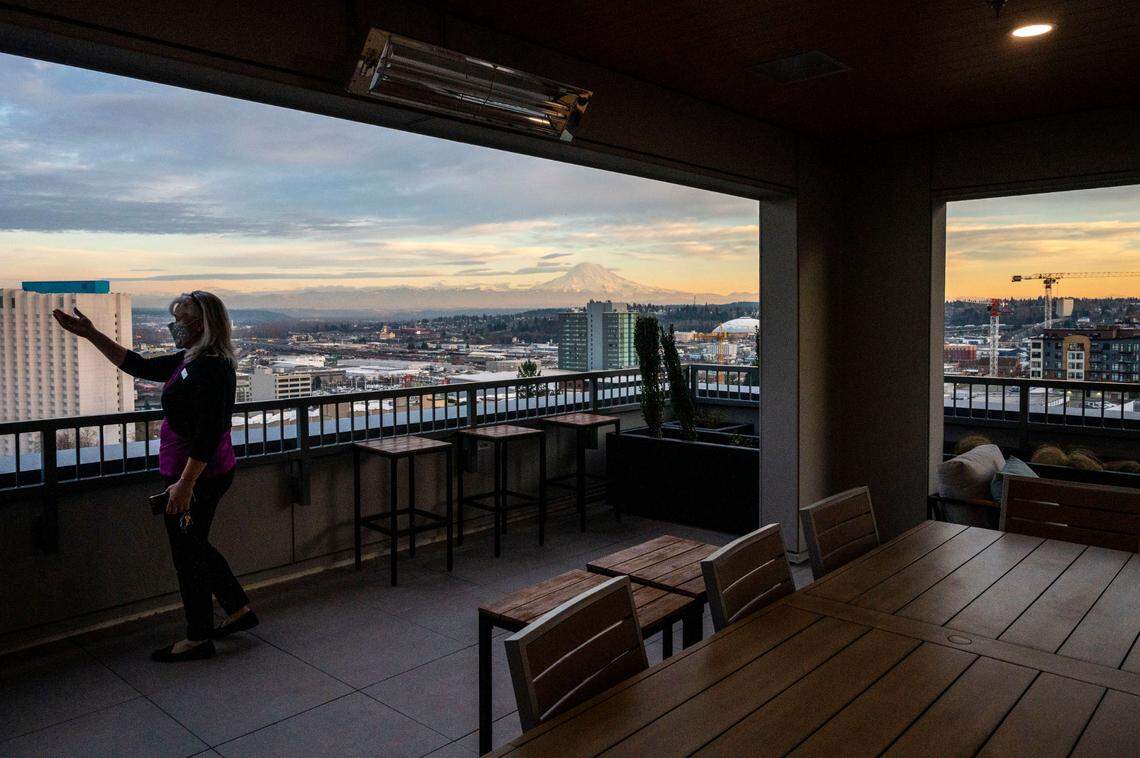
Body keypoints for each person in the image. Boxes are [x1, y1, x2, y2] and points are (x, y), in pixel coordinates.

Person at [53, 291, 258, 662]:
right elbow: (140, 366)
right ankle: (238, 609)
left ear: (201, 324)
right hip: (198, 474)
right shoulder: (191, 360)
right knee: (194, 546)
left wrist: (185, 484)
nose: (174, 325)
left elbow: (210, 432)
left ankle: (198, 637)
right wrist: (92, 334)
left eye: (181, 318)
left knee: (187, 555)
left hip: (198, 477)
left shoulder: (211, 367)